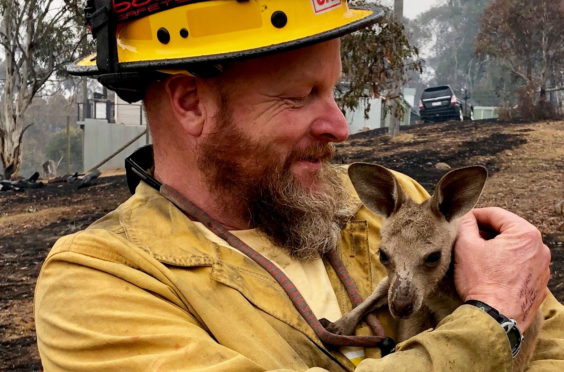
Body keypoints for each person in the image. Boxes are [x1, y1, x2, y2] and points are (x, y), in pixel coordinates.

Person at [35, 1, 563, 371]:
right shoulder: (98, 284)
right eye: (300, 96)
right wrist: (495, 319)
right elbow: (512, 316)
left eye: (333, 91)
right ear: (191, 103)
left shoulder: (387, 205)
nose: (340, 126)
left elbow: (555, 344)